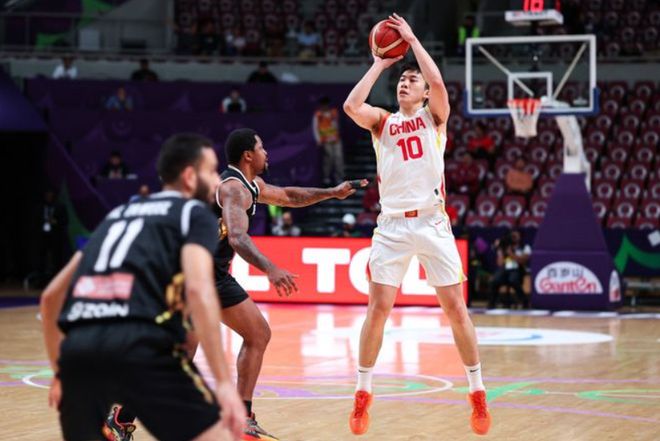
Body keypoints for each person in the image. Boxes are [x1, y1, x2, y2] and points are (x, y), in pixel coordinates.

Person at [39, 133, 246, 441]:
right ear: (190, 176)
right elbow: (198, 292)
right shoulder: (193, 214)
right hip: (142, 345)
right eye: (212, 170)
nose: (218, 180)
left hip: (80, 354)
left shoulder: (117, 215)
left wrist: (61, 373)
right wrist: (224, 384)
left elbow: (49, 298)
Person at [342, 13, 491, 437]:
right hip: (391, 225)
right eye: (403, 79)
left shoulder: (434, 118)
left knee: (455, 309)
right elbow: (351, 106)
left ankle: (477, 391)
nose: (406, 83)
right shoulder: (382, 121)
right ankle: (363, 392)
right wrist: (380, 63)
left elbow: (439, 82)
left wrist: (413, 40)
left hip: (431, 221)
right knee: (378, 309)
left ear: (424, 92)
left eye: (413, 79)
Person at [210, 128, 367, 439]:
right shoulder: (233, 189)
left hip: (210, 273)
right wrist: (270, 268)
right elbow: (238, 237)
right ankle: (120, 417)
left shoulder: (251, 185)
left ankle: (241, 417)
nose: (266, 152)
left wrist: (332, 192)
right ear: (248, 156)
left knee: (256, 334)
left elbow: (288, 196)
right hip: (194, 274)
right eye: (261, 147)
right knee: (182, 356)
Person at [488, 230, 531, 309]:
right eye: (512, 236)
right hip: (505, 269)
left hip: (518, 269)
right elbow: (500, 263)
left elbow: (523, 261)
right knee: (495, 280)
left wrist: (511, 254)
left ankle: (525, 301)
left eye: (516, 236)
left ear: (520, 237)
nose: (513, 238)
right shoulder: (505, 247)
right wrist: (500, 250)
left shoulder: (525, 247)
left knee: (513, 280)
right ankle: (492, 302)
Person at [313, 96, 344, 186]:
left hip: (336, 139)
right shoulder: (318, 114)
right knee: (328, 159)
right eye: (323, 105)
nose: (325, 106)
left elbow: (336, 124)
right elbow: (315, 127)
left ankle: (339, 177)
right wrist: (318, 139)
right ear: (321, 105)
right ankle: (326, 177)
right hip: (326, 140)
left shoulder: (333, 112)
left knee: (338, 158)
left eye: (326, 105)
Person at [39, 189, 68, 276]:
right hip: (43, 236)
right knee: (43, 256)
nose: (48, 196)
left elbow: (65, 220)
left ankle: (57, 275)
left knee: (57, 256)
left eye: (50, 194)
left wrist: (56, 222)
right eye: (47, 194)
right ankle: (43, 275)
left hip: (56, 236)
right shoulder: (40, 207)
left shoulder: (60, 206)